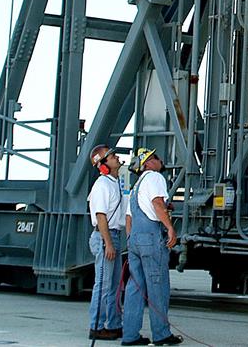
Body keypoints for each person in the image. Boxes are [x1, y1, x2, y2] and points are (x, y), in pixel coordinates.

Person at [121, 148, 180, 347]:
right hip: (151, 236)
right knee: (158, 286)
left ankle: (129, 335)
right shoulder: (155, 177)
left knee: (135, 287)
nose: (159, 159)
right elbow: (156, 203)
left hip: (135, 237)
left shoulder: (136, 186)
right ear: (147, 164)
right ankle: (161, 334)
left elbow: (129, 217)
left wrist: (131, 239)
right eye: (155, 158)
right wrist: (170, 227)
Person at [87, 145, 126, 342]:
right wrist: (108, 243)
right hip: (105, 237)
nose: (116, 157)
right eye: (111, 156)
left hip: (114, 236)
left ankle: (113, 324)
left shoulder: (114, 182)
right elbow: (101, 216)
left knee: (115, 284)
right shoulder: (102, 185)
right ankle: (97, 326)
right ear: (102, 165)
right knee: (103, 284)